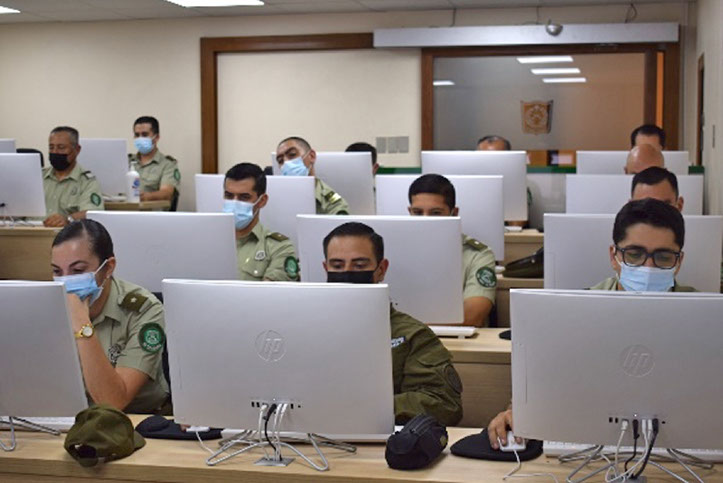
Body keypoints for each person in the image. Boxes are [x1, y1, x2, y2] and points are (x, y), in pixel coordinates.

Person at [488, 198, 694, 448]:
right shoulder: (574, 312)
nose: (648, 267)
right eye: (634, 254)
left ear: (679, 262)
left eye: (663, 257)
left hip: (682, 447)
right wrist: (516, 413)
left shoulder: (705, 317)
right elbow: (543, 385)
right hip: (589, 447)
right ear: (614, 257)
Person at [323, 222, 463, 426]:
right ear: (325, 268)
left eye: (359, 266)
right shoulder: (305, 330)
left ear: (381, 270)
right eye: (337, 266)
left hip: (379, 438)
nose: (347, 272)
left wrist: (363, 408)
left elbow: (443, 404)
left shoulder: (413, 336)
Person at [51, 219, 169, 414]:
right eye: (57, 271)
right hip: (67, 417)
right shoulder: (48, 305)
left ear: (108, 267)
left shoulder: (145, 309)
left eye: (78, 270)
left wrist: (82, 325)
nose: (66, 281)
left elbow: (113, 402)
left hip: (136, 418)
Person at [407, 174, 496, 326]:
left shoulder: (478, 255)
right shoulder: (392, 249)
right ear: (409, 211)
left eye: (435, 213)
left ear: (454, 213)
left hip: (456, 339)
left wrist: (408, 326)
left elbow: (472, 316)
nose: (425, 219)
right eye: (418, 212)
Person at [223, 162, 299, 281]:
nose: (234, 203)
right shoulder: (207, 240)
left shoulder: (279, 247)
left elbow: (267, 291)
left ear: (262, 201)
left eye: (244, 197)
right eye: (229, 196)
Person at [42, 126, 104, 227]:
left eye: (61, 147)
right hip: (28, 232)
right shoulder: (37, 177)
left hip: (66, 234)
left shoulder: (87, 181)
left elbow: (93, 213)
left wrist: (69, 219)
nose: (55, 152)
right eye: (51, 147)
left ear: (77, 149)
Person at [275, 136, 350, 215]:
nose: (286, 162)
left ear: (311, 156)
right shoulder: (274, 196)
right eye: (280, 161)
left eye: (292, 154)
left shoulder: (333, 202)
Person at [128, 116, 180, 206]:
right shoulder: (127, 161)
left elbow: (166, 193)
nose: (140, 138)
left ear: (156, 137)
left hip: (151, 212)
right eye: (137, 135)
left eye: (144, 135)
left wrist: (146, 197)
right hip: (124, 210)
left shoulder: (168, 165)